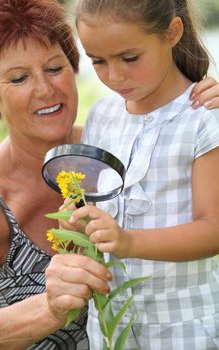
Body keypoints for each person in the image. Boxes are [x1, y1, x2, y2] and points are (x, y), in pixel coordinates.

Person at [58, 0, 219, 349]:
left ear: (172, 33)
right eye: (98, 61)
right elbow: (87, 211)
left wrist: (129, 242)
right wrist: (75, 223)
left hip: (184, 329)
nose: (114, 76)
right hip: (110, 328)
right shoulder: (102, 115)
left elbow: (214, 229)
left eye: (130, 58)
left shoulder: (203, 118)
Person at [0, 0, 112, 349]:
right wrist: (48, 308)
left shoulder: (114, 150)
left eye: (55, 68)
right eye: (19, 78)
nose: (45, 89)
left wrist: (199, 109)